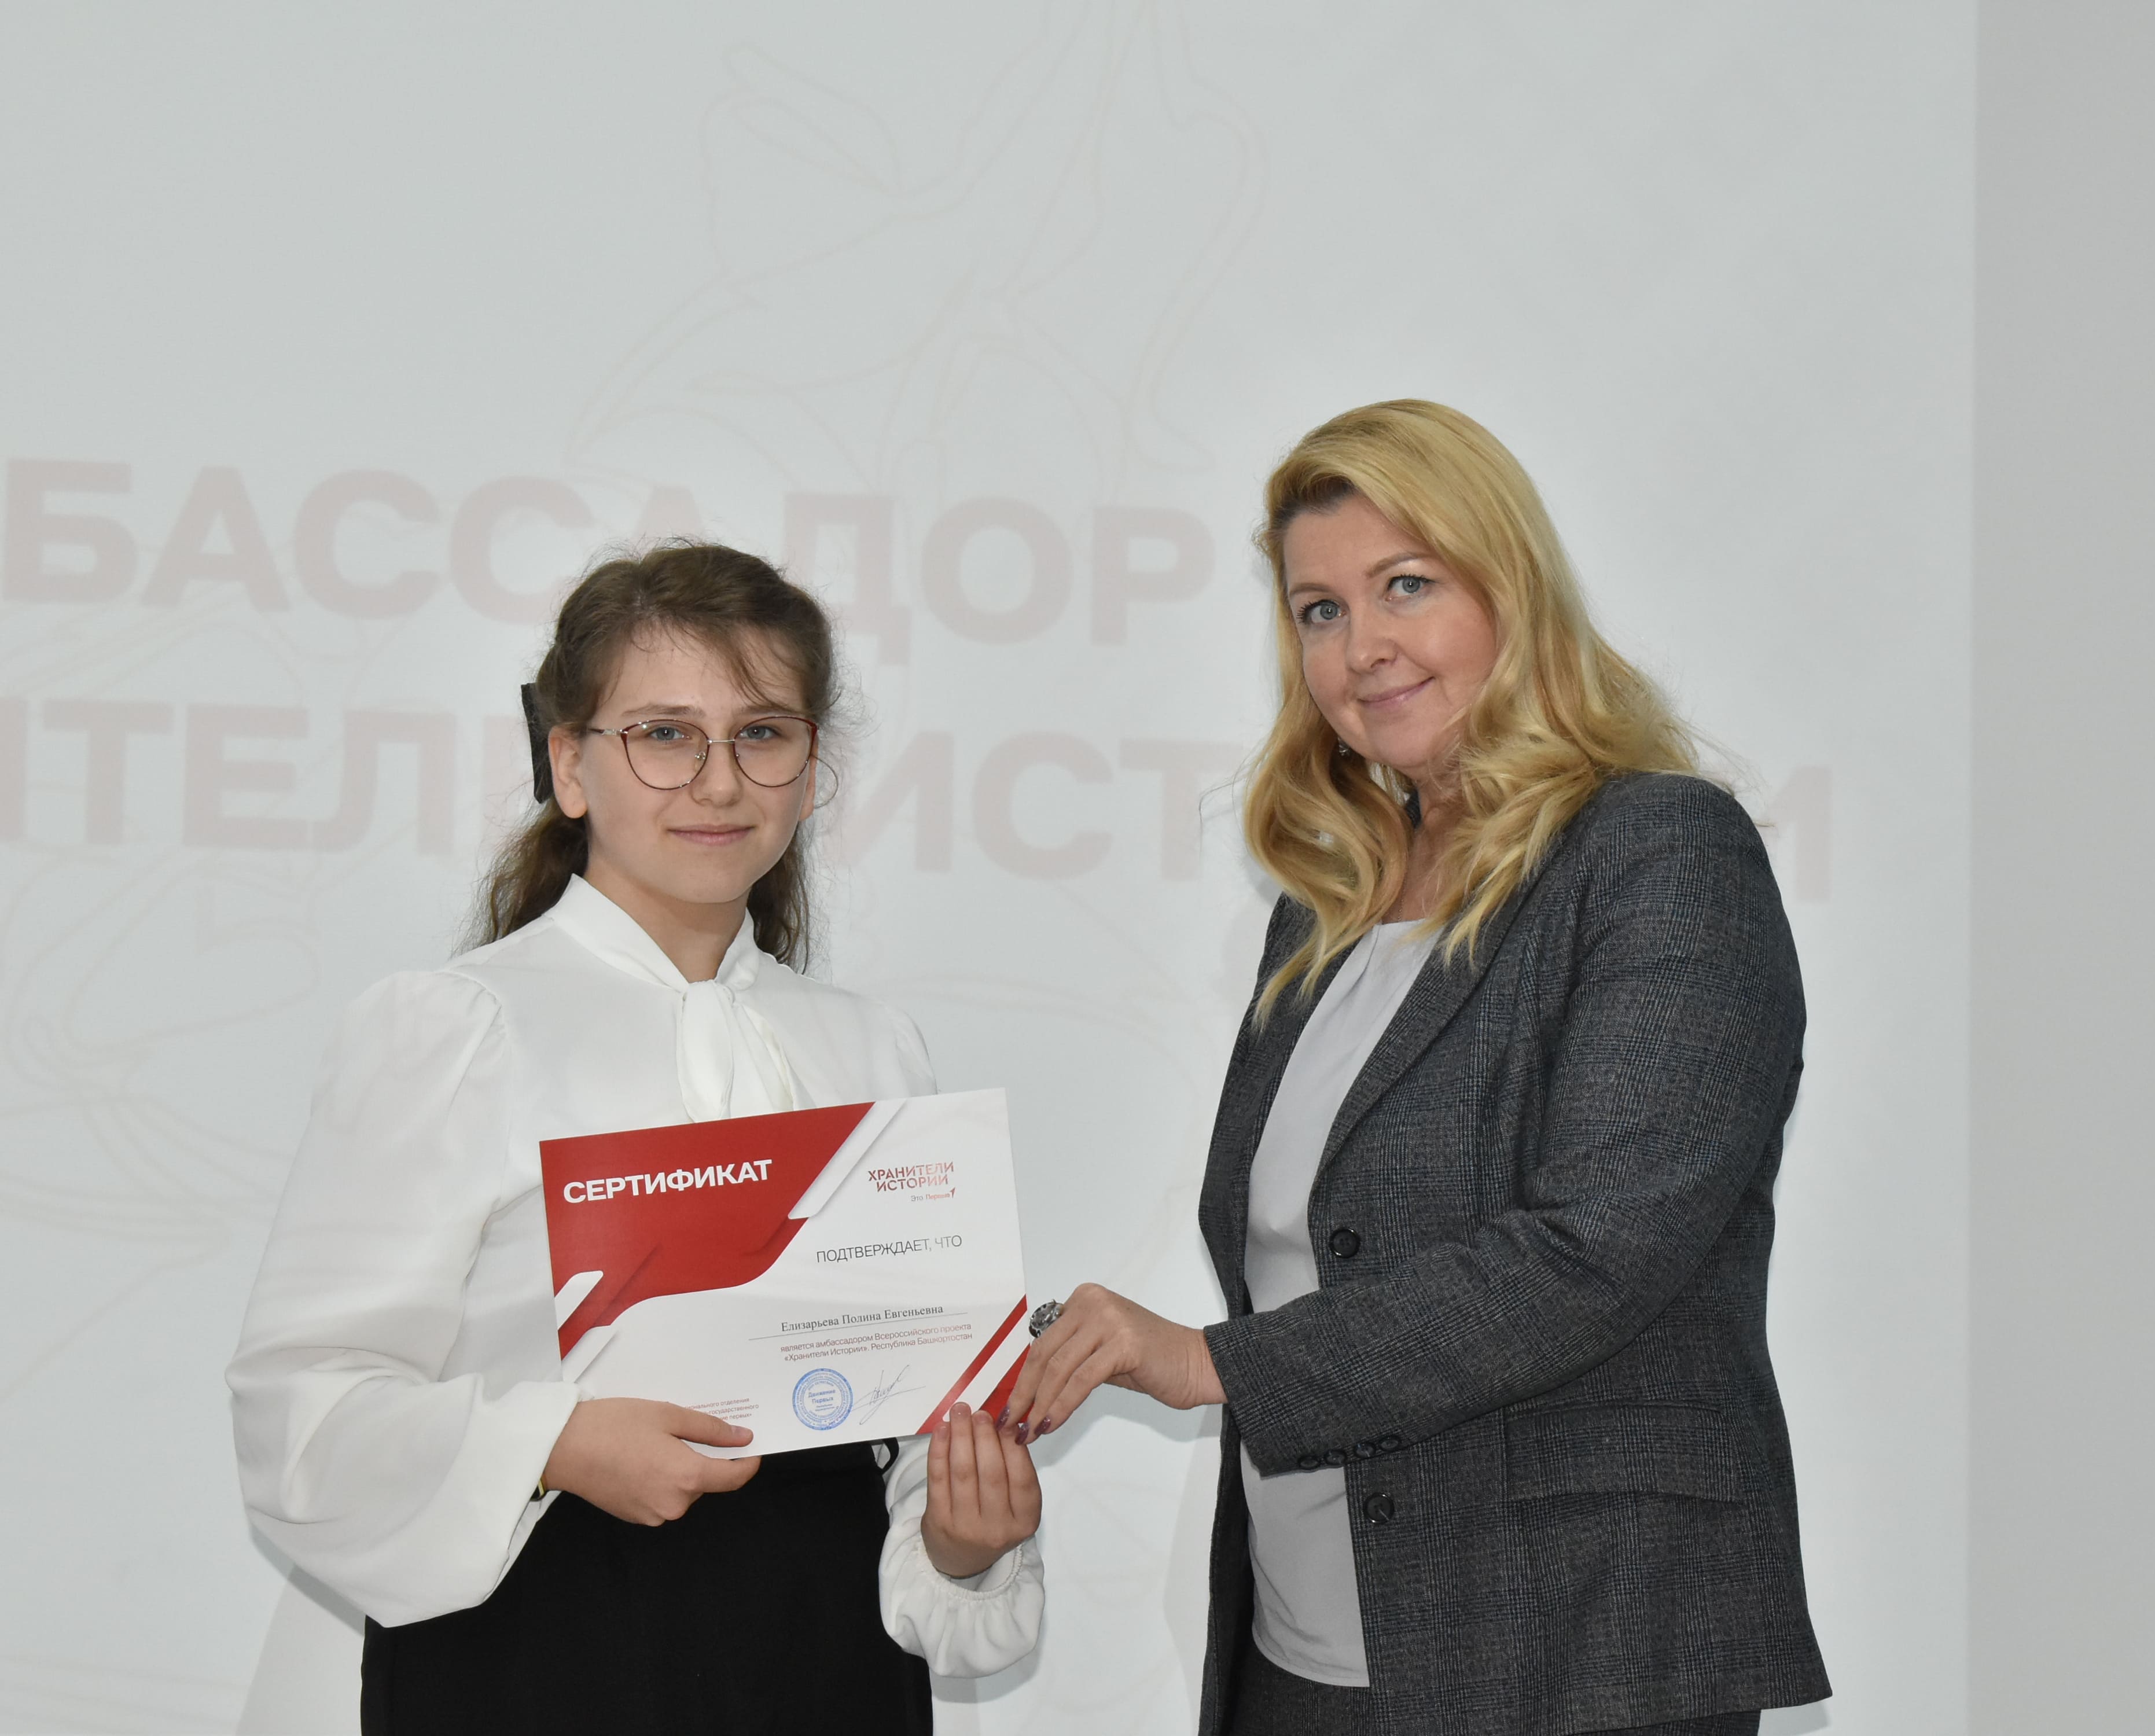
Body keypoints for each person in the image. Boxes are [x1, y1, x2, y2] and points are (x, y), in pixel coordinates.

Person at [1005, 402, 1829, 1735]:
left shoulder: (1660, 852)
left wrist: (1218, 1365)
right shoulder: (1325, 909)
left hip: (1575, 1653)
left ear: (1512, 590)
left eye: (1406, 586)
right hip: (1304, 1648)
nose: (1362, 647)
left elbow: (1595, 1253)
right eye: (1319, 611)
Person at [227, 542, 1043, 1735]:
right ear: (569, 764)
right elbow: (301, 1413)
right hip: (536, 1661)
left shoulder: (876, 1051)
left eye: (761, 734)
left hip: (827, 1664)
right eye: (665, 735)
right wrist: (555, 1443)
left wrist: (963, 1543)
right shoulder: (458, 1030)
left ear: (812, 769)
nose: (718, 782)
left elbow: (926, 1417)